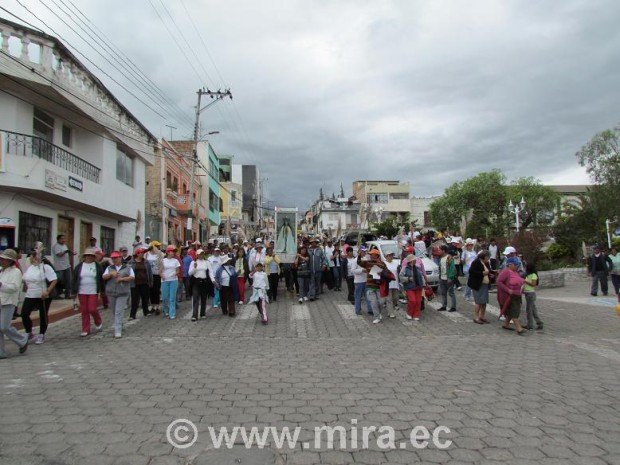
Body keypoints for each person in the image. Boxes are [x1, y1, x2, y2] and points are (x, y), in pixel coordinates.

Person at [20, 248, 58, 344]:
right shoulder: (30, 268)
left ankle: (41, 334)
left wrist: (47, 291)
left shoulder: (45, 267)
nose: (32, 258)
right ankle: (29, 332)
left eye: (34, 256)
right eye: (31, 256)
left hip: (43, 295)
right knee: (24, 313)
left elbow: (54, 280)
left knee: (43, 314)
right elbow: (24, 278)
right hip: (30, 294)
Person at [0, 249, 29, 358]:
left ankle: (22, 340)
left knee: (4, 327)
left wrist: (1, 285)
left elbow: (14, 288)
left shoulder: (16, 272)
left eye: (5, 259)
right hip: (0, 300)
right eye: (2, 259)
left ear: (10, 261)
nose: (2, 261)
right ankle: (1, 352)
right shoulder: (1, 271)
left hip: (9, 302)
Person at [102, 251, 135, 338]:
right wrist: (110, 274)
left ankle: (118, 330)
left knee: (118, 311)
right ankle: (120, 324)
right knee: (114, 310)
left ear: (120, 258)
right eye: (113, 258)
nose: (114, 260)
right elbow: (103, 277)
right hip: (111, 292)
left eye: (116, 258)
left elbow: (132, 277)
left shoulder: (127, 267)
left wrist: (122, 279)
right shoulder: (109, 267)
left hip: (123, 292)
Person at [73, 248, 104, 337]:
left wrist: (102, 291)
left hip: (93, 291)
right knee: (84, 310)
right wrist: (73, 291)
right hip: (82, 291)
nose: (89, 257)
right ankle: (85, 329)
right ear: (84, 257)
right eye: (87, 255)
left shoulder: (97, 266)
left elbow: (101, 280)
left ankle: (98, 321)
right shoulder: (79, 266)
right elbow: (74, 279)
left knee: (92, 309)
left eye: (91, 256)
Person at [496, 257, 526, 335]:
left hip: (516, 294)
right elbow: (499, 282)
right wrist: (508, 290)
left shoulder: (515, 272)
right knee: (514, 311)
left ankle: (506, 324)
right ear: (510, 265)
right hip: (509, 296)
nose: (517, 266)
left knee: (512, 311)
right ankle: (519, 328)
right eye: (515, 265)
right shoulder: (505, 272)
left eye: (518, 265)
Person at [359, 249, 387, 324]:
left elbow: (387, 273)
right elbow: (359, 262)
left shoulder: (382, 264)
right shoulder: (367, 263)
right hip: (370, 286)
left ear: (376, 255)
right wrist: (359, 255)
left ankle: (379, 313)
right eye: (370, 254)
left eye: (372, 254)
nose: (370, 255)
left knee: (381, 302)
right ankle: (377, 317)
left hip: (379, 286)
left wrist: (381, 274)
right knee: (373, 302)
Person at [467, 251, 491, 324]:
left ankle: (482, 316)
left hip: (485, 284)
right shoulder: (476, 262)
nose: (488, 258)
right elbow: (472, 272)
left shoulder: (486, 263)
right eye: (487, 257)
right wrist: (482, 273)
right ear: (483, 256)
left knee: (484, 301)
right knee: (479, 301)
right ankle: (476, 317)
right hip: (478, 284)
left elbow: (488, 271)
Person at [189, 249, 213, 321]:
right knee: (196, 298)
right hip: (196, 282)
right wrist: (195, 268)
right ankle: (194, 315)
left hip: (204, 281)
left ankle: (202, 313)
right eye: (200, 254)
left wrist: (213, 280)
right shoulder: (193, 262)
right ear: (197, 255)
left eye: (202, 254)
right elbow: (190, 273)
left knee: (204, 298)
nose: (201, 255)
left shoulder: (207, 262)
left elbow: (210, 272)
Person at [129, 248, 152, 320]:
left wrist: (151, 281)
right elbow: (128, 272)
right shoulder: (131, 262)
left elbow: (149, 272)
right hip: (134, 283)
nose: (142, 254)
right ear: (137, 254)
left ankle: (146, 312)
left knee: (145, 298)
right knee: (135, 299)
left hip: (144, 282)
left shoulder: (146, 262)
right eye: (141, 253)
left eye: (143, 253)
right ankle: (132, 315)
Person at [399, 254, 424, 321]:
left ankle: (416, 315)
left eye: (415, 260)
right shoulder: (404, 268)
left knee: (418, 302)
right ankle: (409, 313)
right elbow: (400, 278)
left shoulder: (417, 268)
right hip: (410, 287)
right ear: (410, 261)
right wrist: (408, 278)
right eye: (413, 260)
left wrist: (423, 285)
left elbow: (421, 277)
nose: (415, 261)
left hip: (418, 287)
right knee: (412, 301)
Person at [161, 246, 181, 319]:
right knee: (165, 297)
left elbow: (178, 270)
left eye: (174, 251)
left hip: (173, 280)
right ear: (168, 252)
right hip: (165, 281)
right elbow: (160, 271)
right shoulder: (163, 260)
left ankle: (172, 313)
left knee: (172, 298)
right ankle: (166, 310)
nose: (173, 253)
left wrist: (175, 274)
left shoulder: (176, 261)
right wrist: (162, 276)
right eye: (172, 251)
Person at [51, 234, 74, 299]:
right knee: (59, 281)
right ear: (58, 239)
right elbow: (59, 254)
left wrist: (70, 253)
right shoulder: (56, 246)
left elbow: (65, 254)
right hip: (59, 267)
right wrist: (66, 251)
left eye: (64, 239)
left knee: (68, 280)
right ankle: (56, 294)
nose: (63, 240)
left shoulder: (65, 246)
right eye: (62, 239)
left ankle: (67, 294)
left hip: (67, 266)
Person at [523, 262, 543, 330]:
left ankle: (530, 325)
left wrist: (525, 281)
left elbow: (533, 284)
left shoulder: (534, 275)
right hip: (527, 293)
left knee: (529, 310)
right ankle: (539, 323)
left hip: (530, 293)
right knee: (533, 309)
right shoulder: (528, 275)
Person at [145, 241, 163, 315]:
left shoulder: (160, 254)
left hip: (156, 274)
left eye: (158, 246)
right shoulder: (146, 254)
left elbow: (162, 264)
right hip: (149, 275)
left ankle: (157, 307)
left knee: (156, 290)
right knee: (150, 291)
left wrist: (160, 272)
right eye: (156, 246)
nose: (157, 247)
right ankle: (152, 306)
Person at [438, 245, 457, 312]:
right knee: (443, 293)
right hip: (442, 278)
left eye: (439, 250)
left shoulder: (449, 258)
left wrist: (450, 277)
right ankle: (444, 306)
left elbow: (452, 268)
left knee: (451, 293)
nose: (438, 251)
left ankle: (453, 307)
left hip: (448, 278)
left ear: (443, 250)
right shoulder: (441, 258)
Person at [383, 251, 400, 318]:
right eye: (389, 255)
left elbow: (398, 272)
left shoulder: (396, 263)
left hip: (395, 284)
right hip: (387, 284)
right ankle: (391, 312)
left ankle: (390, 309)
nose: (390, 257)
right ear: (386, 256)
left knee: (395, 298)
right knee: (389, 299)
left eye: (391, 255)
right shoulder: (383, 264)